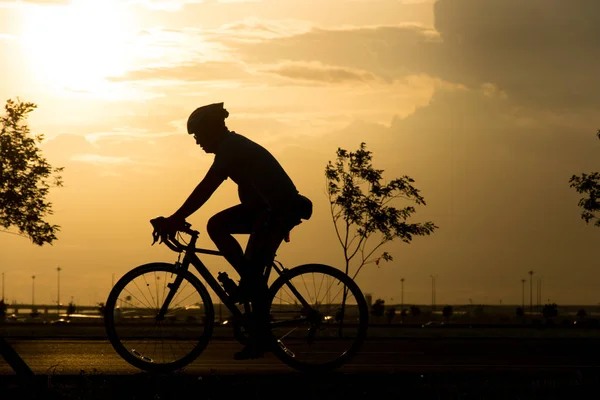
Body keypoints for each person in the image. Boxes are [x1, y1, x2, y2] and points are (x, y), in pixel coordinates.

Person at [153, 102, 312, 360]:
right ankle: (249, 284)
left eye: (198, 136)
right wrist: (176, 218)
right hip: (266, 209)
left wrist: (174, 219)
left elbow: (205, 188)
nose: (197, 142)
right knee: (218, 227)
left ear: (211, 130)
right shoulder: (230, 148)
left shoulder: (231, 149)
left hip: (278, 210)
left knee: (251, 276)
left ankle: (261, 335)